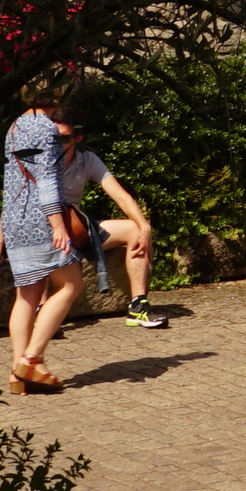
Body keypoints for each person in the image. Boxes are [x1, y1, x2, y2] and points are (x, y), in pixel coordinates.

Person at [51, 112, 171, 332]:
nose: (58, 143)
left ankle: (138, 305)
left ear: (77, 139)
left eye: (65, 138)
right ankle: (42, 312)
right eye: (54, 137)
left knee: (135, 229)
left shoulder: (87, 160)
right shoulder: (40, 159)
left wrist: (145, 227)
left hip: (77, 228)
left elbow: (121, 195)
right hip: (46, 230)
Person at [1, 90, 84, 395]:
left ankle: (17, 376)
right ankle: (31, 359)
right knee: (72, 284)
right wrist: (58, 224)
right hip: (40, 219)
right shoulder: (46, 128)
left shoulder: (15, 126)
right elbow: (47, 178)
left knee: (27, 295)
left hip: (14, 218)